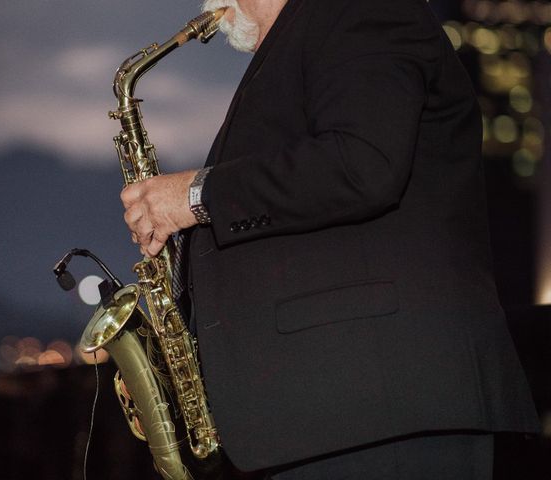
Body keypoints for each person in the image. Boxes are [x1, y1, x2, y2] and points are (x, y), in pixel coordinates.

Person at [121, 0, 540, 477]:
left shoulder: (358, 9)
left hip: (378, 408)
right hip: (340, 416)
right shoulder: (313, 33)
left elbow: (362, 163)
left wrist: (198, 195)